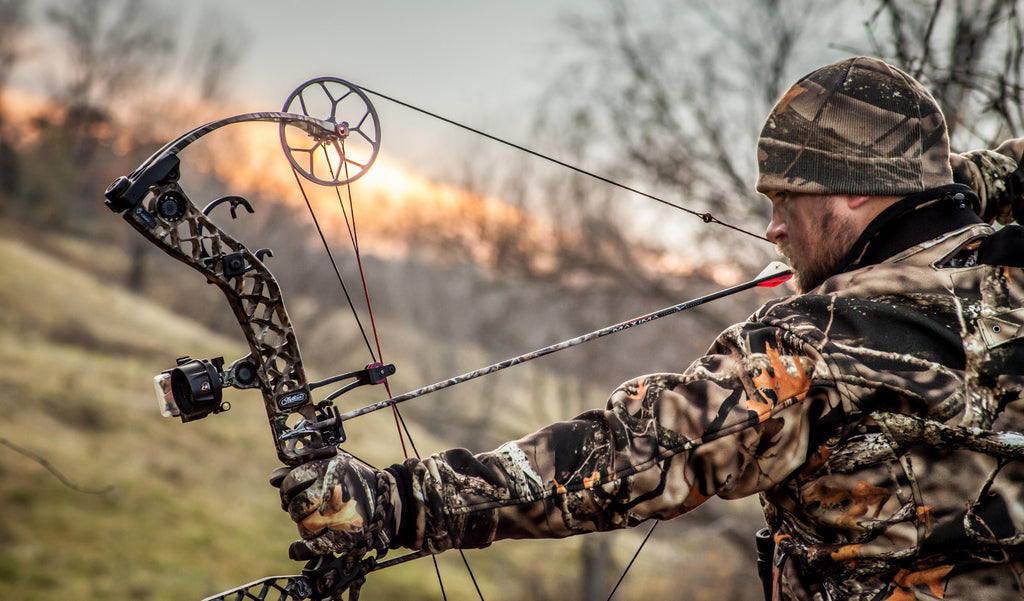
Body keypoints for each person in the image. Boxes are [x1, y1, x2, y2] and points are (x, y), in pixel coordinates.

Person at [275, 57, 1024, 600]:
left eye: (785, 199)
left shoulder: (819, 341)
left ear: (858, 192)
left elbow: (631, 454)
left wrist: (393, 502)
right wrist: (959, 181)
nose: (772, 229)